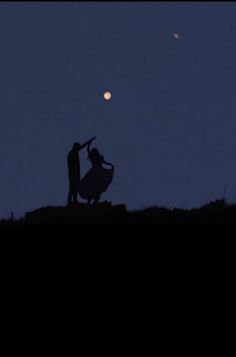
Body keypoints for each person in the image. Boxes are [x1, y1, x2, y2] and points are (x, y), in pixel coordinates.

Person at [67, 137, 96, 206]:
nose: (78, 149)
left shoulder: (75, 152)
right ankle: (69, 201)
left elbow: (82, 146)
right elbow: (70, 166)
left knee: (76, 187)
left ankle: (74, 200)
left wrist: (89, 141)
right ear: (75, 147)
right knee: (72, 187)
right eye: (77, 148)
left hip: (76, 173)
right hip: (73, 173)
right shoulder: (71, 154)